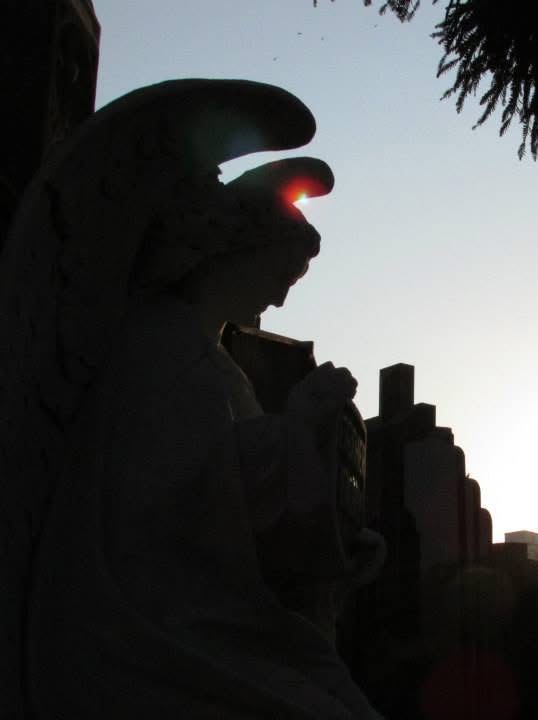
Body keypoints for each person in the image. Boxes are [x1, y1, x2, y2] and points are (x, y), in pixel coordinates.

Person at [12, 82, 385, 719]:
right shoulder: (155, 343)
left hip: (199, 614)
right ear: (234, 251)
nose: (280, 299)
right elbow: (173, 499)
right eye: (280, 276)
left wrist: (340, 541)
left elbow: (239, 518)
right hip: (145, 626)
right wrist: (298, 428)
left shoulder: (217, 366)